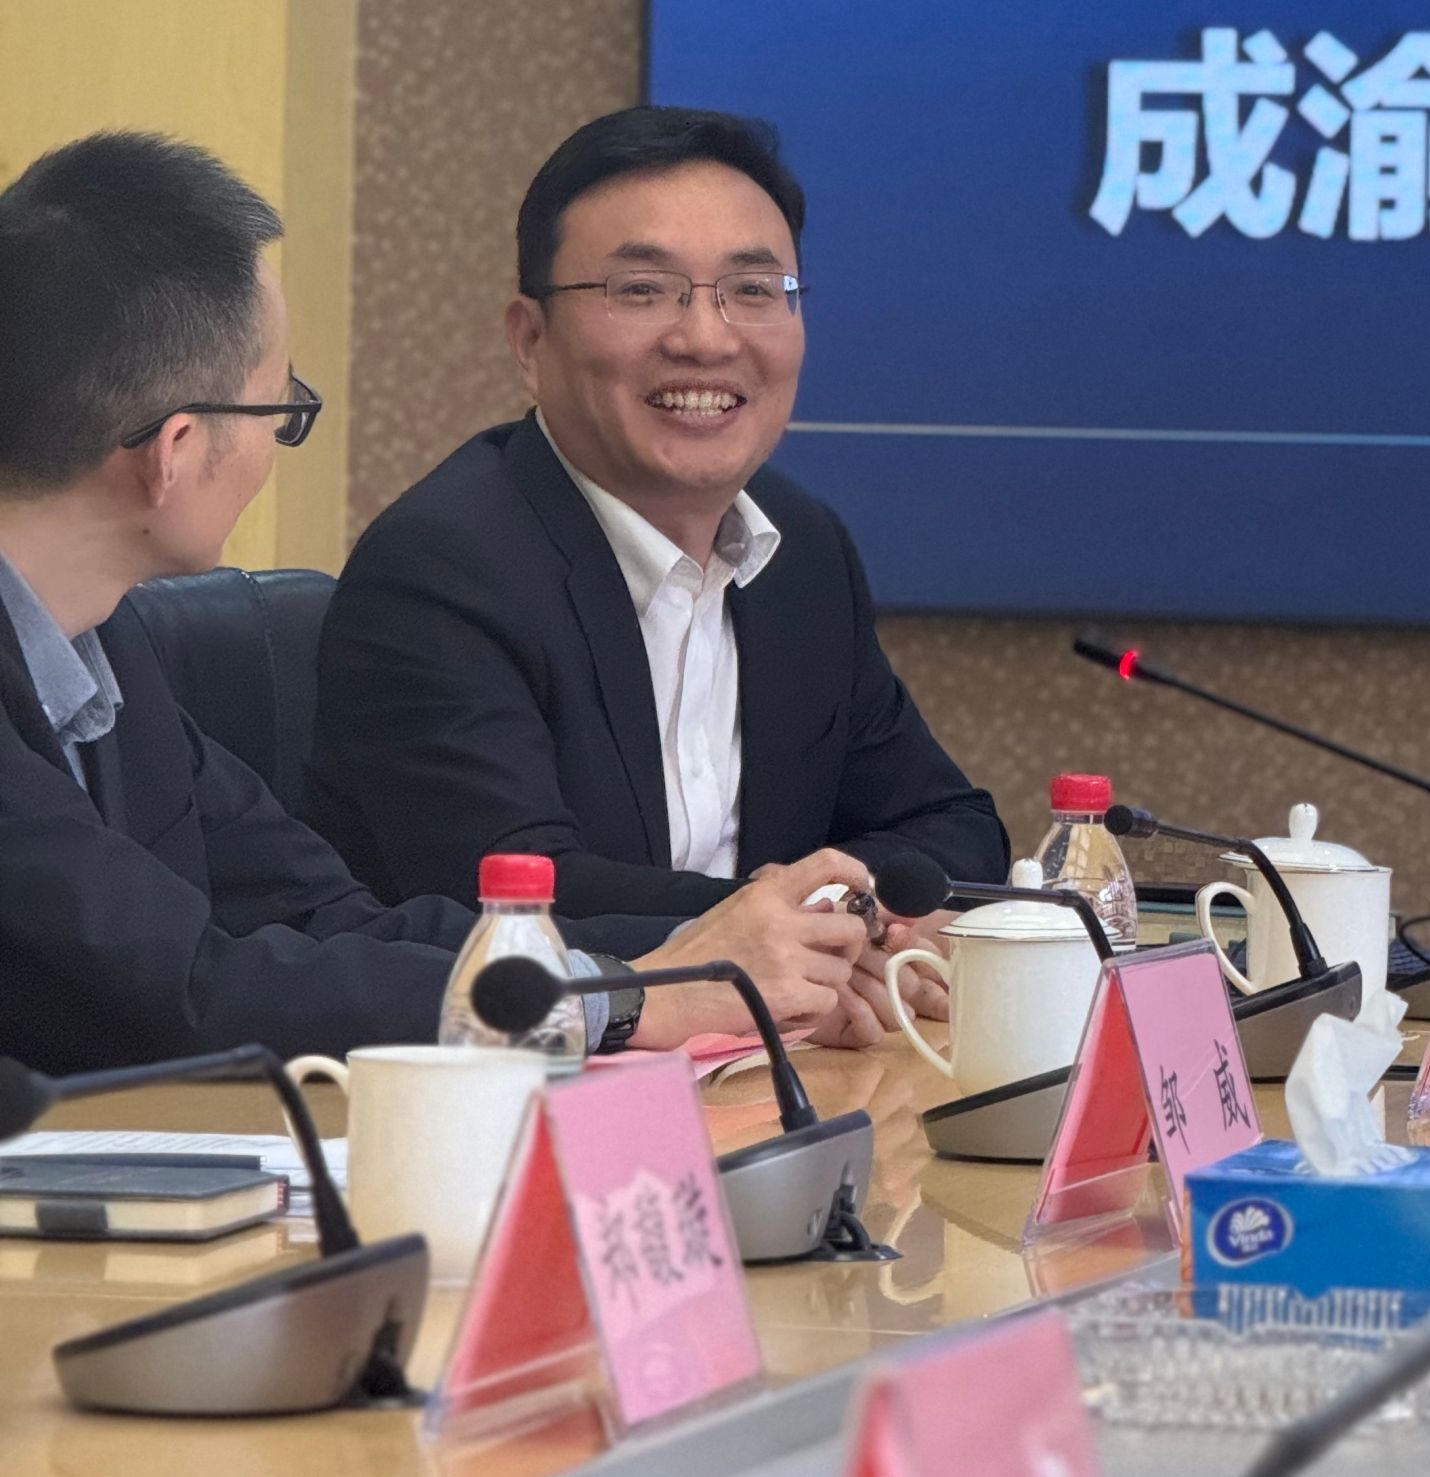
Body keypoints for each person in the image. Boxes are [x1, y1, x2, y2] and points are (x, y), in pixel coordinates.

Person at [0, 131, 887, 1073]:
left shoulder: (105, 646)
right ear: (175, 452)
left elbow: (330, 917)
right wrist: (629, 1000)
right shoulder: (444, 560)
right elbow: (192, 991)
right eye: (279, 411)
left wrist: (703, 959)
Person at [305, 106, 1004, 1039]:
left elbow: (951, 826)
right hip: (517, 1084)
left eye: (753, 290)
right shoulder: (443, 568)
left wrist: (841, 923)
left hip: (756, 1070)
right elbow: (509, 893)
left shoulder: (800, 550)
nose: (707, 339)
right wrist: (808, 931)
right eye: (643, 290)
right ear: (530, 340)